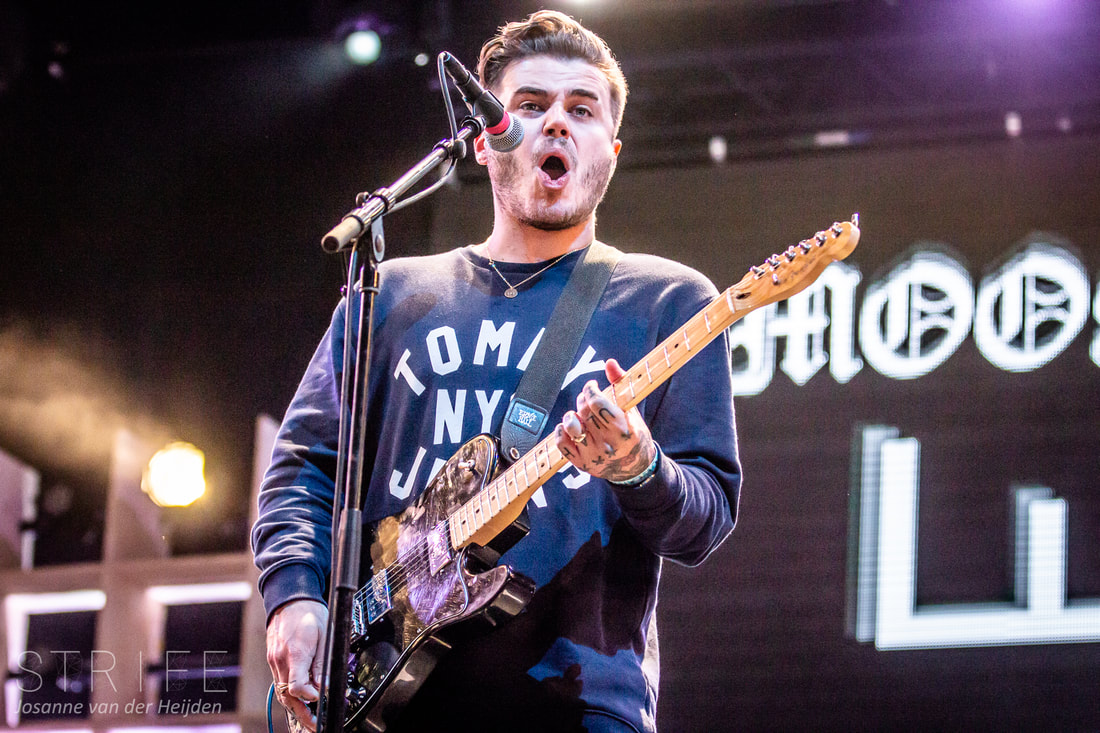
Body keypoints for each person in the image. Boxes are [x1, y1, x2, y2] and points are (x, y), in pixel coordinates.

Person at [251, 10, 740, 733]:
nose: (556, 123)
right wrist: (295, 597)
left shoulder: (668, 301)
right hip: (380, 699)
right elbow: (303, 469)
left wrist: (639, 468)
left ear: (610, 151)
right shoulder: (390, 294)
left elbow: (705, 520)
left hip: (577, 707)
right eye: (530, 105)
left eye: (582, 110)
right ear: (485, 138)